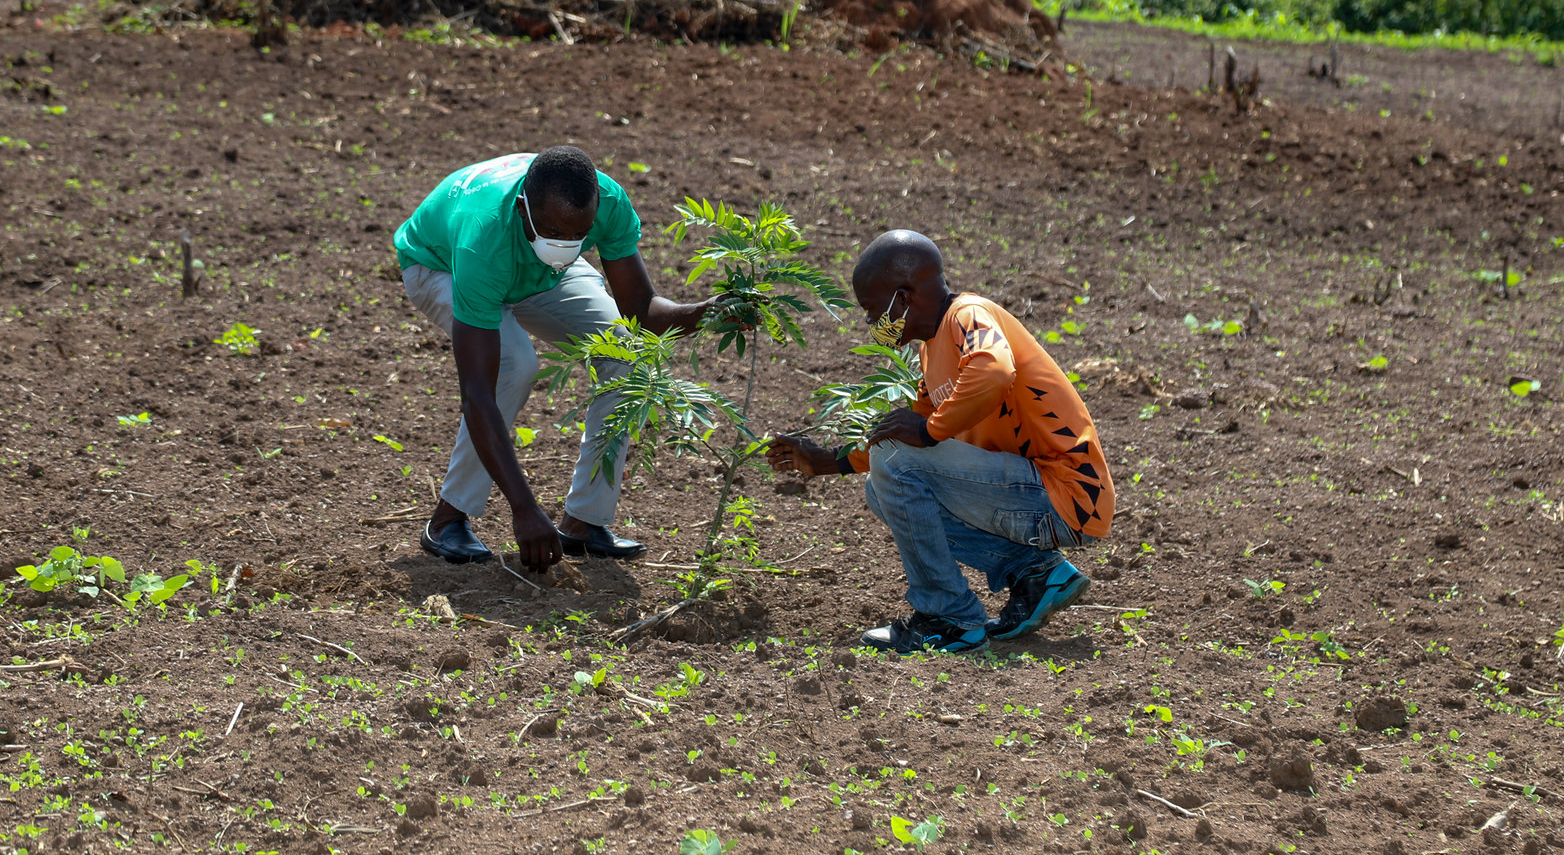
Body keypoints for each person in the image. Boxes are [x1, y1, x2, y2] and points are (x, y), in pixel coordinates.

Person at [767, 230, 1114, 653]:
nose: (869, 322)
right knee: (881, 488)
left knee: (893, 463)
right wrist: (828, 462)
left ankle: (949, 618)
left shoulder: (968, 315)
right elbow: (904, 438)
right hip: (1035, 496)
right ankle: (1037, 574)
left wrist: (929, 431)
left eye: (872, 309)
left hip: (1065, 492)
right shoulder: (933, 352)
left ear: (905, 298)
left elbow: (994, 370)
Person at [394, 146, 716, 572]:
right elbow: (477, 393)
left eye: (576, 235)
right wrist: (524, 508)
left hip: (535, 270)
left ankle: (584, 522)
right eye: (552, 230)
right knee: (514, 365)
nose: (563, 245)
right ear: (525, 206)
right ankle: (449, 518)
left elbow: (640, 313)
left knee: (626, 354)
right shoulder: (483, 236)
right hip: (443, 267)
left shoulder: (606, 203)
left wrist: (709, 311)